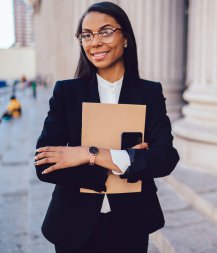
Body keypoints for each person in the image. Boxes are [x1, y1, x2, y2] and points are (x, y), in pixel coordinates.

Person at [34, 2, 179, 253]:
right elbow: (45, 164)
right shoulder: (67, 92)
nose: (95, 42)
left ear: (125, 38)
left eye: (106, 31)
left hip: (131, 222)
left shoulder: (149, 92)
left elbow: (165, 158)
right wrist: (126, 160)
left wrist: (88, 154)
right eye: (87, 35)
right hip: (73, 222)